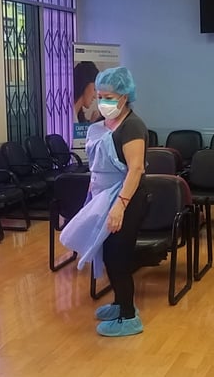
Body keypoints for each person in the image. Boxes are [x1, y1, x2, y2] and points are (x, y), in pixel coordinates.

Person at [59, 66, 148, 337]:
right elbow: (98, 164)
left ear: (124, 96)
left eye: (109, 97)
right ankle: (120, 303)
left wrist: (120, 205)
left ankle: (129, 317)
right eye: (99, 96)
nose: (102, 101)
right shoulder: (102, 122)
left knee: (117, 256)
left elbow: (136, 169)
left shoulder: (133, 126)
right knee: (107, 252)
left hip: (126, 198)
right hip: (102, 196)